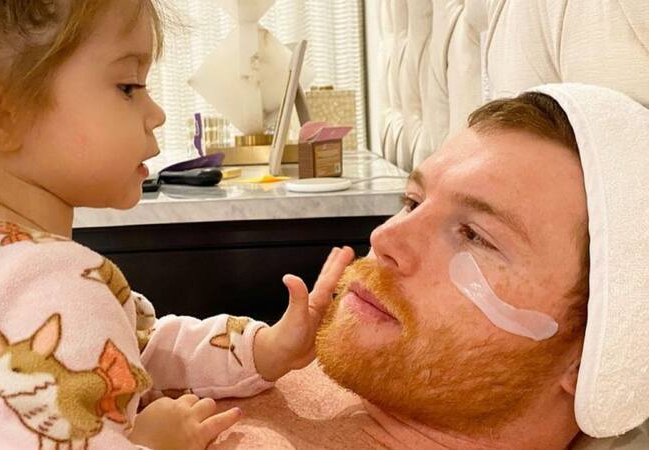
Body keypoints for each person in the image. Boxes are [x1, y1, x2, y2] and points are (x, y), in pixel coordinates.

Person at [0, 1, 354, 449]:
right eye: (128, 87)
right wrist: (154, 442)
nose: (156, 113)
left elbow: (134, 346)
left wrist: (264, 349)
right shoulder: (50, 287)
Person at [210, 86, 649, 449]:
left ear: (587, 359)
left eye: (475, 235)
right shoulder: (268, 361)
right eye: (412, 202)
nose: (383, 237)